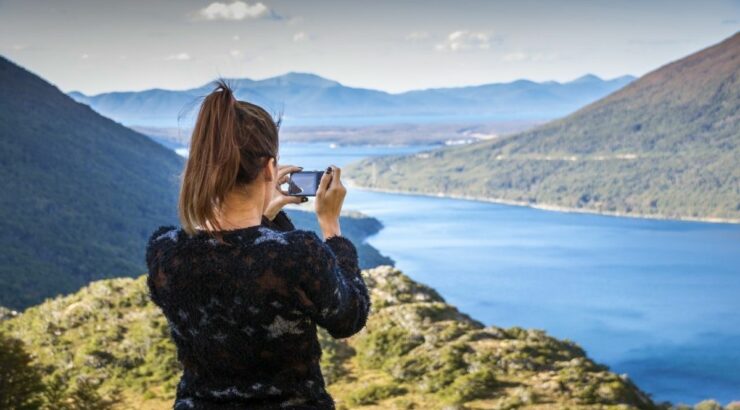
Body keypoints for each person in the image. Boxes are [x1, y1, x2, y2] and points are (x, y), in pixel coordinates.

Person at [145, 79, 371, 410]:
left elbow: (235, 255)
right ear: (269, 167)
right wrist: (331, 227)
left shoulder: (164, 252)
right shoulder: (296, 255)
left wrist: (268, 210)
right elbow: (349, 317)